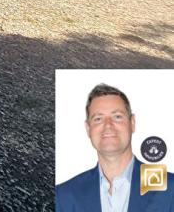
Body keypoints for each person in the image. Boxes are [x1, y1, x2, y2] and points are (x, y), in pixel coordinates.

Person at [56, 83, 172, 211]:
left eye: (117, 117)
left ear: (132, 123)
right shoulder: (63, 195)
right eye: (98, 119)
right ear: (88, 129)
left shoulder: (169, 187)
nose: (108, 125)